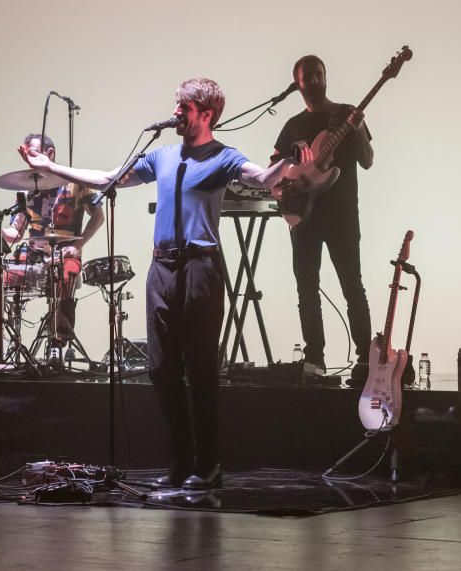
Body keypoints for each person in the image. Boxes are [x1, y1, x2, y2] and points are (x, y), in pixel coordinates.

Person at [20, 78, 300, 489]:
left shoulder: (224, 156)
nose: (176, 114)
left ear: (206, 114)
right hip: (163, 269)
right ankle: (183, 461)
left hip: (201, 268)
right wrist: (48, 168)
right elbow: (108, 178)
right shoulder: (163, 155)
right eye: (176, 106)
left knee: (201, 370)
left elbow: (261, 178)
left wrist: (290, 162)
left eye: (184, 107)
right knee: (160, 368)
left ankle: (209, 466)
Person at [271, 55, 372, 380]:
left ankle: (365, 362)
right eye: (307, 76)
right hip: (304, 217)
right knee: (306, 289)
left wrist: (356, 131)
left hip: (342, 215)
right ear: (296, 83)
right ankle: (315, 360)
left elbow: (368, 161)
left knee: (352, 288)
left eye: (318, 74)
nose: (314, 80)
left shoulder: (346, 114)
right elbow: (274, 173)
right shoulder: (292, 126)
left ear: (326, 77)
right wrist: (284, 187)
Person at [2, 134, 104, 346]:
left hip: (65, 254)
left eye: (33, 154)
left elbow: (99, 216)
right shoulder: (25, 187)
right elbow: (16, 231)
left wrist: (77, 246)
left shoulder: (75, 181)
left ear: (50, 154)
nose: (29, 161)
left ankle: (58, 342)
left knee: (64, 275)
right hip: (32, 255)